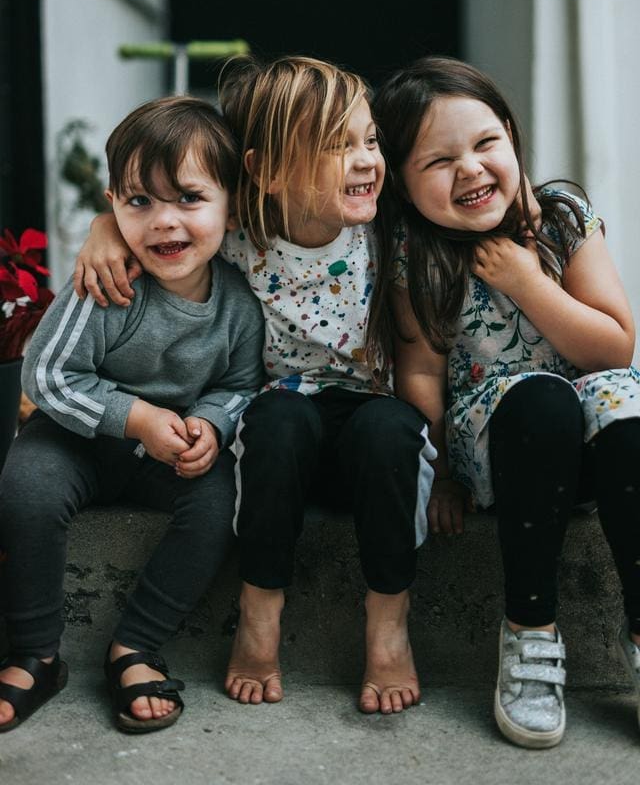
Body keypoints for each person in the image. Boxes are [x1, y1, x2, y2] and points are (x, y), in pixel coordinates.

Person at [71, 56, 437, 716]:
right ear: (266, 174)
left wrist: (454, 473)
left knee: (391, 429)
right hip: (277, 438)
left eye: (369, 140)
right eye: (336, 145)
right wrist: (102, 229)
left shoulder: (388, 234)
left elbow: (420, 361)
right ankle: (259, 612)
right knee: (279, 417)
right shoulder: (244, 237)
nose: (364, 159)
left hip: (371, 432)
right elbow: (167, 220)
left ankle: (388, 624)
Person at [372, 55, 640, 748]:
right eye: (438, 161)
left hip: (595, 448)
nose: (470, 169)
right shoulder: (417, 256)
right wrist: (441, 474)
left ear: (513, 138)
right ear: (401, 182)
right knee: (541, 401)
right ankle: (529, 629)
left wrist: (528, 281)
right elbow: (422, 376)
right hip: (504, 451)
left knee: (625, 398)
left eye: (486, 143)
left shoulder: (562, 220)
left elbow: (614, 347)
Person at [0, 97, 265, 734]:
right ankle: (35, 652)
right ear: (112, 203)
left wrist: (211, 422)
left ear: (232, 205)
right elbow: (46, 374)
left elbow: (241, 383)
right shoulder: (108, 283)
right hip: (74, 439)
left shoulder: (239, 305)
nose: (163, 223)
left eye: (189, 199)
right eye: (139, 201)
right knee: (26, 487)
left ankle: (136, 646)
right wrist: (135, 416)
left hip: (170, 451)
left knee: (217, 506)